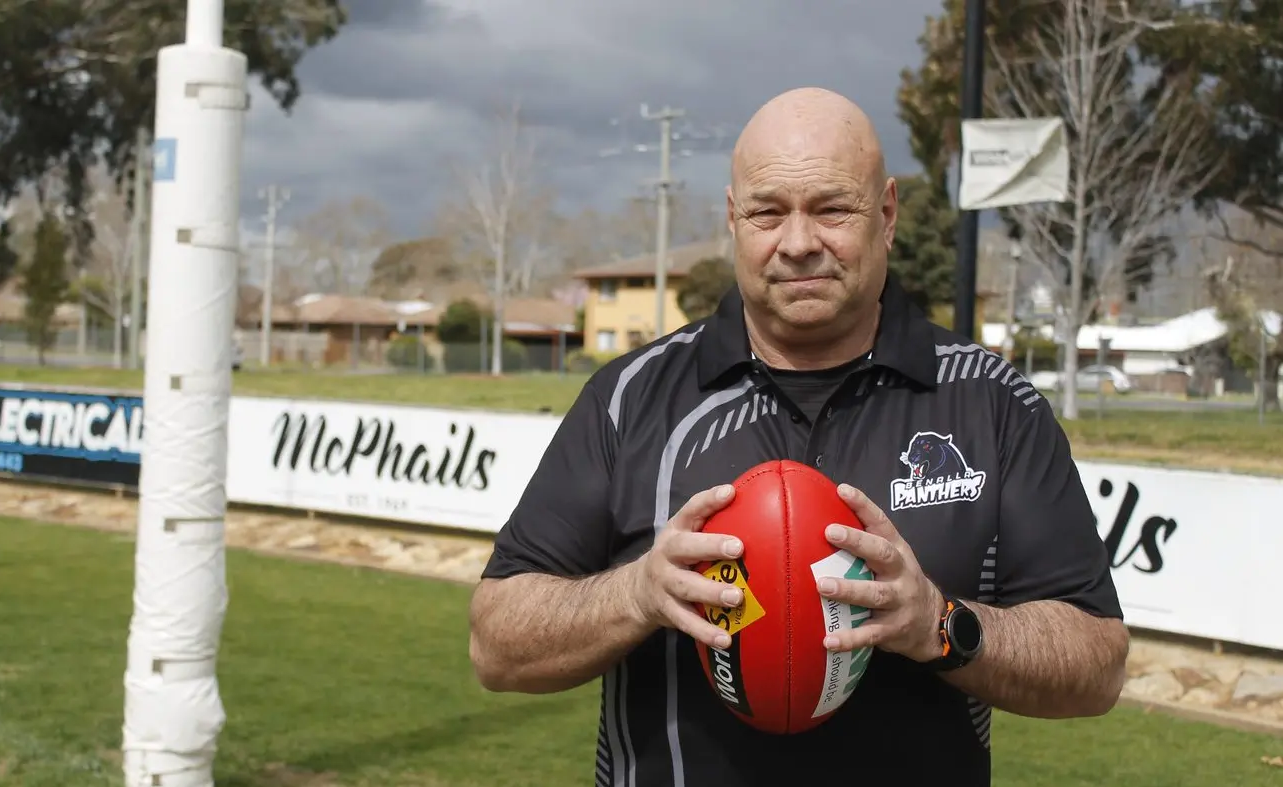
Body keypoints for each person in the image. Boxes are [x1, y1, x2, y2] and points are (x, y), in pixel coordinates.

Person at [467, 87, 1128, 786]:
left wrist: (937, 623)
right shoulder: (630, 399)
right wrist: (635, 594)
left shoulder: (992, 401)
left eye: (832, 208)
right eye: (767, 212)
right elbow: (495, 644)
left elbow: (1096, 665)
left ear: (887, 214)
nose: (799, 242)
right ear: (733, 219)